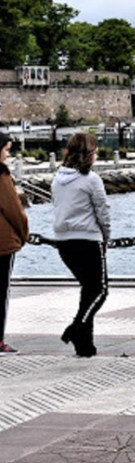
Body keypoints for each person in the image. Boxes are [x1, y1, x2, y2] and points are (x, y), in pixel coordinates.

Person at [52, 133, 111, 357]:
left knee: (88, 290)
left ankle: (85, 346)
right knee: (100, 290)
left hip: (64, 243)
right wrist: (106, 237)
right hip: (88, 240)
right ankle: (76, 329)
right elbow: (103, 211)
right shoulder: (91, 180)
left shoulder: (57, 178)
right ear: (89, 154)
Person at [0, 133, 29, 355]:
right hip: (2, 243)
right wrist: (24, 234)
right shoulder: (1, 175)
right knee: (1, 293)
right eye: (6, 149)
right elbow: (14, 211)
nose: (8, 154)